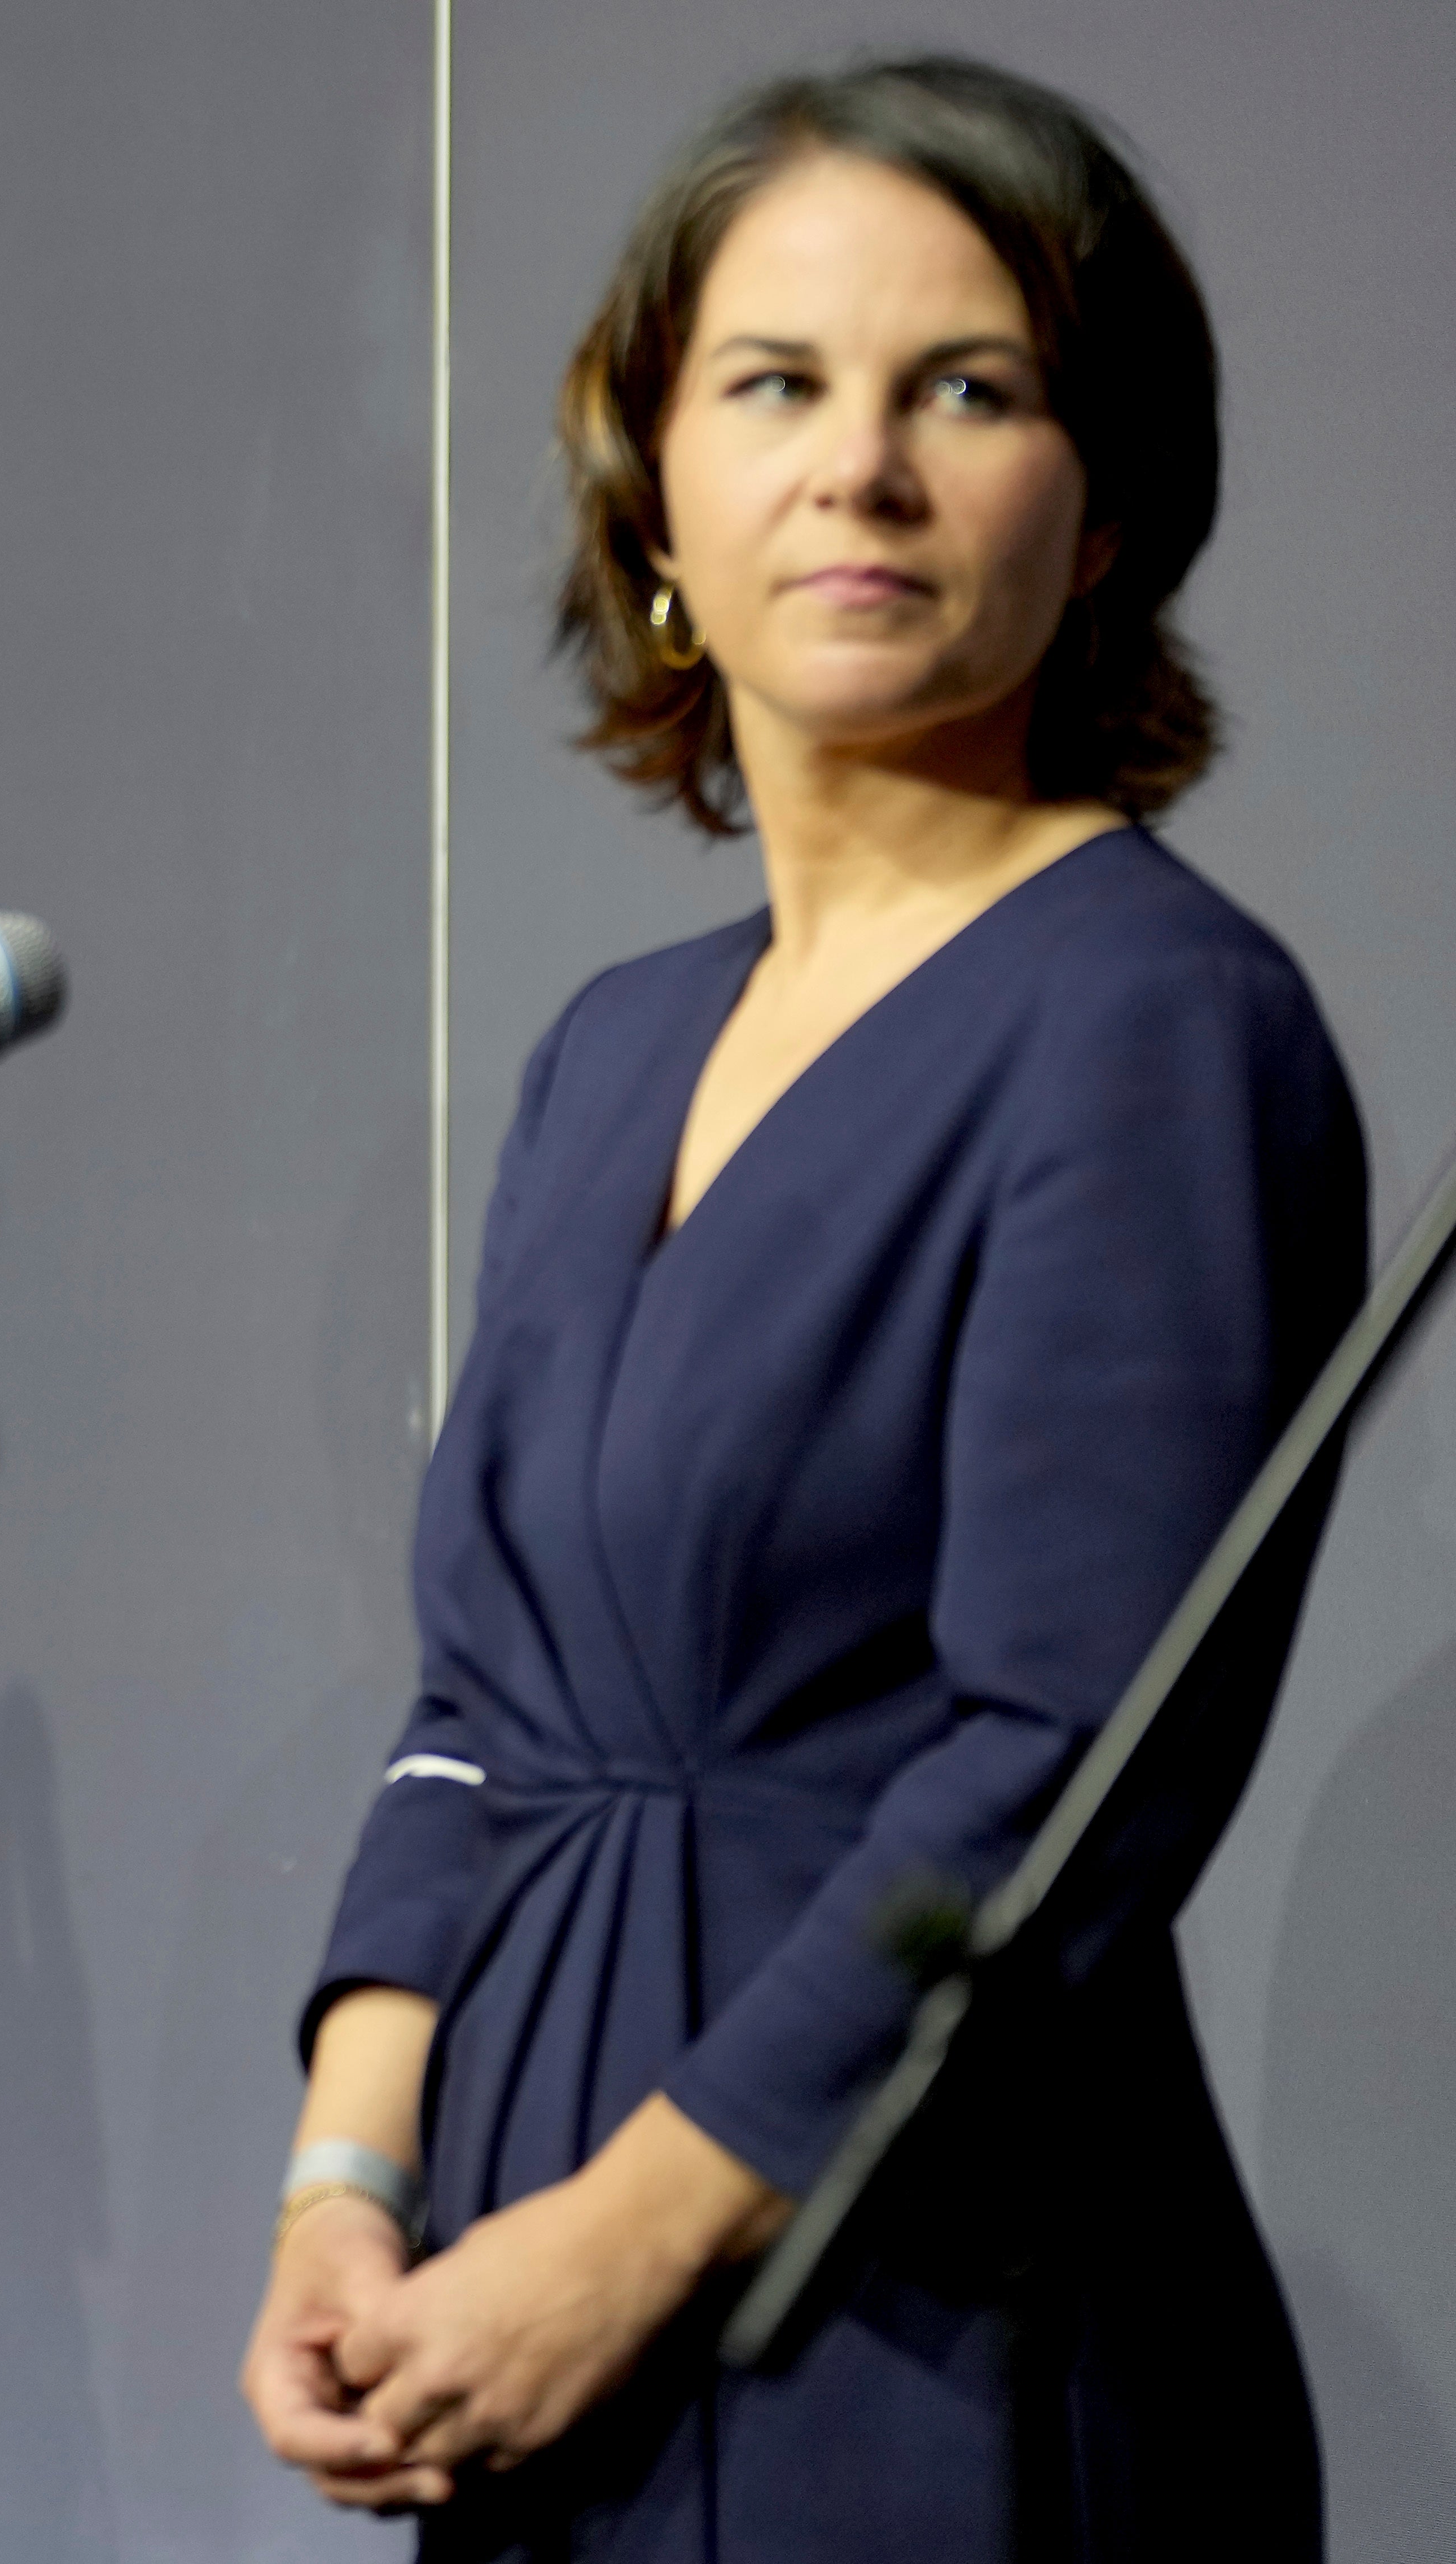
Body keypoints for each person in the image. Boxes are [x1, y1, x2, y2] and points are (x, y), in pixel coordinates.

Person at [237, 55, 1361, 2560]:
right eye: (777, 384)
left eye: (967, 387)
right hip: (521, 2282)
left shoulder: (1156, 1013)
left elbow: (1062, 1770)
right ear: (655, 491)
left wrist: (614, 2241)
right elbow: (473, 1719)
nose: (860, 466)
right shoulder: (612, 1044)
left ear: (1102, 512)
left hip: (906, 2292)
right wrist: (349, 2184)